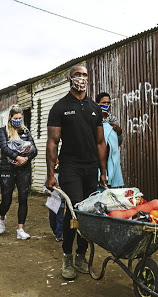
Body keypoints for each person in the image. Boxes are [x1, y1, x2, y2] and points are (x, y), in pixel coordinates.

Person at [45, 64, 108, 280]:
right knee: (75, 211)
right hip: (70, 167)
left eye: (85, 75)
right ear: (69, 79)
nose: (81, 78)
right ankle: (67, 256)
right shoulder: (60, 107)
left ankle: (81, 254)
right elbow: (52, 142)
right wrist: (51, 174)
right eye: (78, 75)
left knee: (89, 212)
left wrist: (103, 172)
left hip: (91, 167)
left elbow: (101, 142)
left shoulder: (94, 108)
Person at [0, 105, 37, 240]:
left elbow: (34, 150)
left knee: (23, 198)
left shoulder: (26, 131)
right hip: (7, 169)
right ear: (10, 118)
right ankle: (2, 218)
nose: (18, 120)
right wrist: (16, 157)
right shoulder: (3, 131)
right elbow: (4, 147)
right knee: (6, 200)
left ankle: (20, 229)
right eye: (15, 118)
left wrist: (26, 158)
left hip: (23, 169)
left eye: (20, 118)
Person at [96, 92, 124, 188]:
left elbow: (119, 143)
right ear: (97, 104)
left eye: (108, 103)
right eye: (104, 103)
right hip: (98, 158)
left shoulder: (113, 120)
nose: (106, 105)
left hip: (111, 158)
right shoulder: (94, 119)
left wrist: (119, 132)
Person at [43, 159, 64, 242]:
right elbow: (44, 186)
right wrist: (46, 191)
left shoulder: (64, 176)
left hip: (61, 201)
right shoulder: (49, 176)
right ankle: (54, 229)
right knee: (52, 217)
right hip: (52, 200)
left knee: (60, 218)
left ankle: (59, 234)